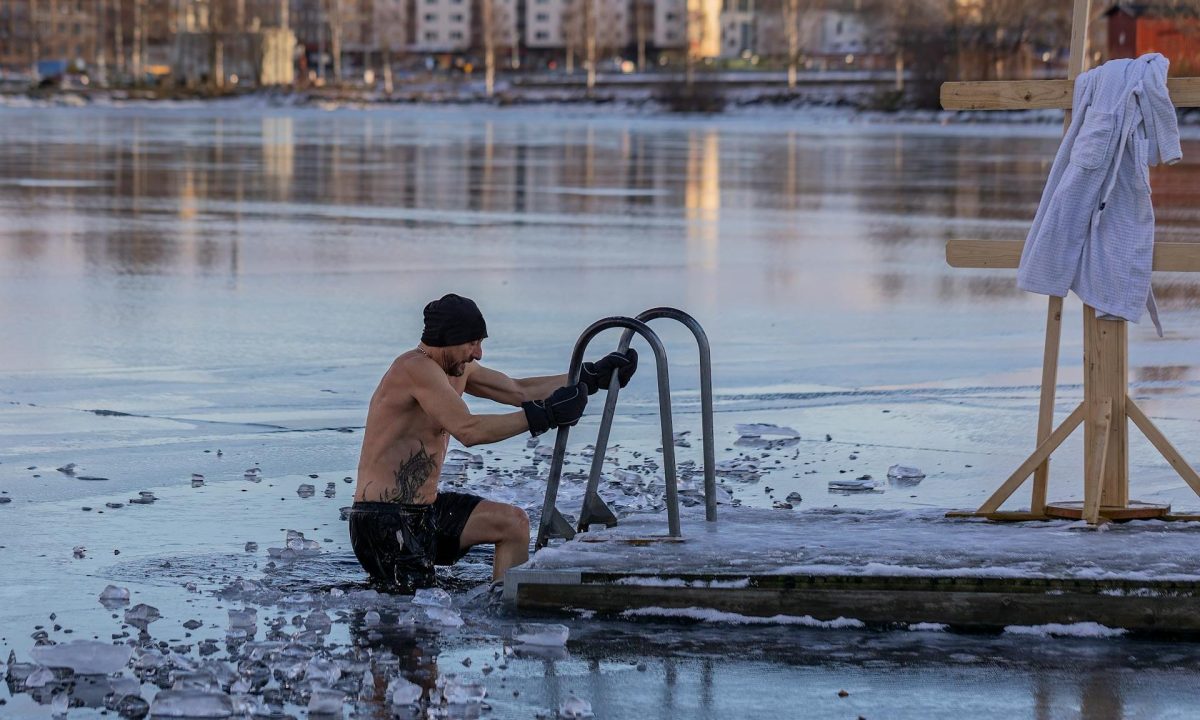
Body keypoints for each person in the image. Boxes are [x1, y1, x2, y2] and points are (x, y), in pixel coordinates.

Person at [350, 293, 638, 592]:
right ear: (448, 338)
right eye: (472, 343)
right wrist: (545, 416)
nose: (478, 354)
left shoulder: (458, 370)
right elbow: (469, 429)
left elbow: (519, 390)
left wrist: (589, 376)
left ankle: (505, 608)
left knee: (512, 524)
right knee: (420, 614)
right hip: (382, 520)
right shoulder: (414, 368)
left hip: (427, 511)